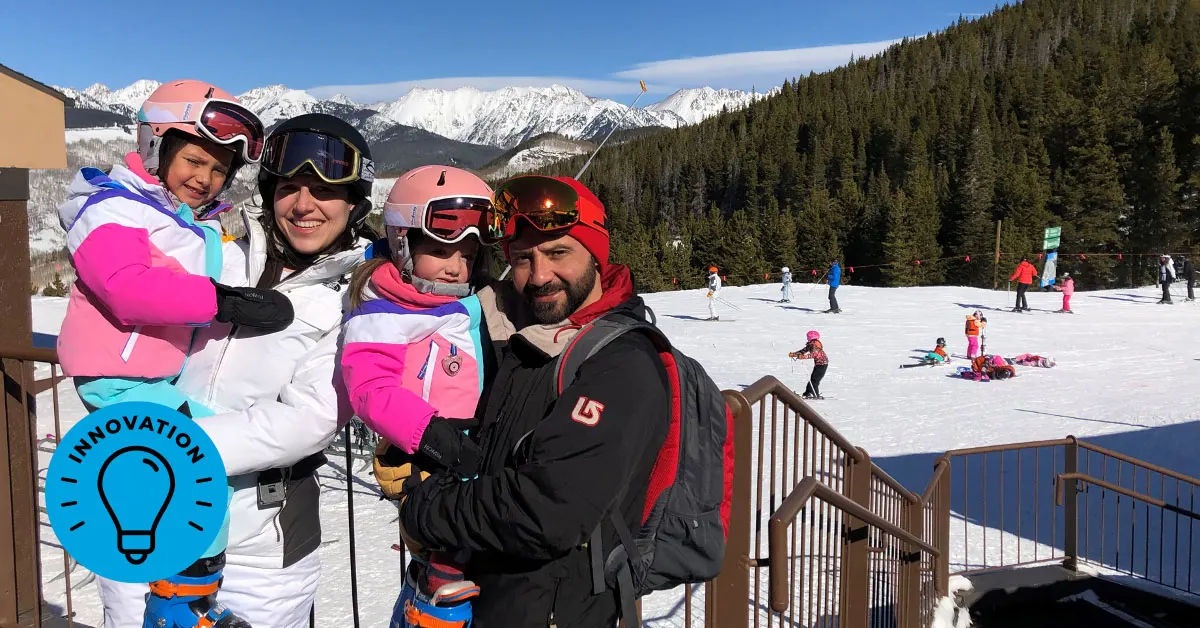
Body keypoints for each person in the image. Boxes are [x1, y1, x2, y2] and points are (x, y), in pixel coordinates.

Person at [94, 112, 377, 628]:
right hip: (148, 509)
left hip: (260, 540)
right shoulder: (214, 258)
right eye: (289, 187)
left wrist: (169, 444)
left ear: (355, 204)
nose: (304, 205)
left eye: (324, 192)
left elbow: (310, 418)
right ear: (269, 193)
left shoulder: (358, 301)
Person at [56, 80, 295, 628]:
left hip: (146, 378)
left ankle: (192, 593)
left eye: (218, 170)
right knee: (199, 459)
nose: (204, 178)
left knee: (204, 452)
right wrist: (221, 303)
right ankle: (179, 603)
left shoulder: (185, 220)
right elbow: (124, 285)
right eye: (193, 159)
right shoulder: (113, 209)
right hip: (116, 377)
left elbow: (212, 262)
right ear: (153, 147)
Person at [398, 174, 672, 628]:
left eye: (558, 252)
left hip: (556, 611)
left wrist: (427, 511)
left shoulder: (621, 363)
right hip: (478, 602)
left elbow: (550, 509)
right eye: (523, 258)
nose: (540, 275)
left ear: (596, 255)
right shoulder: (528, 335)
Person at [339, 166, 499, 627]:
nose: (456, 265)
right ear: (405, 245)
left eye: (468, 253)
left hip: (469, 446)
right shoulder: (386, 310)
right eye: (440, 250)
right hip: (429, 450)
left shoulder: (465, 302)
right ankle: (432, 603)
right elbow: (370, 388)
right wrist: (430, 434)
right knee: (446, 540)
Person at [789, 330, 828, 399]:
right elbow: (803, 351)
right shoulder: (811, 344)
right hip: (818, 365)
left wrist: (803, 357)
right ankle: (807, 393)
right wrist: (794, 354)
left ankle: (814, 394)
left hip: (822, 365)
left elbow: (814, 354)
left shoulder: (815, 345)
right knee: (812, 379)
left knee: (814, 380)